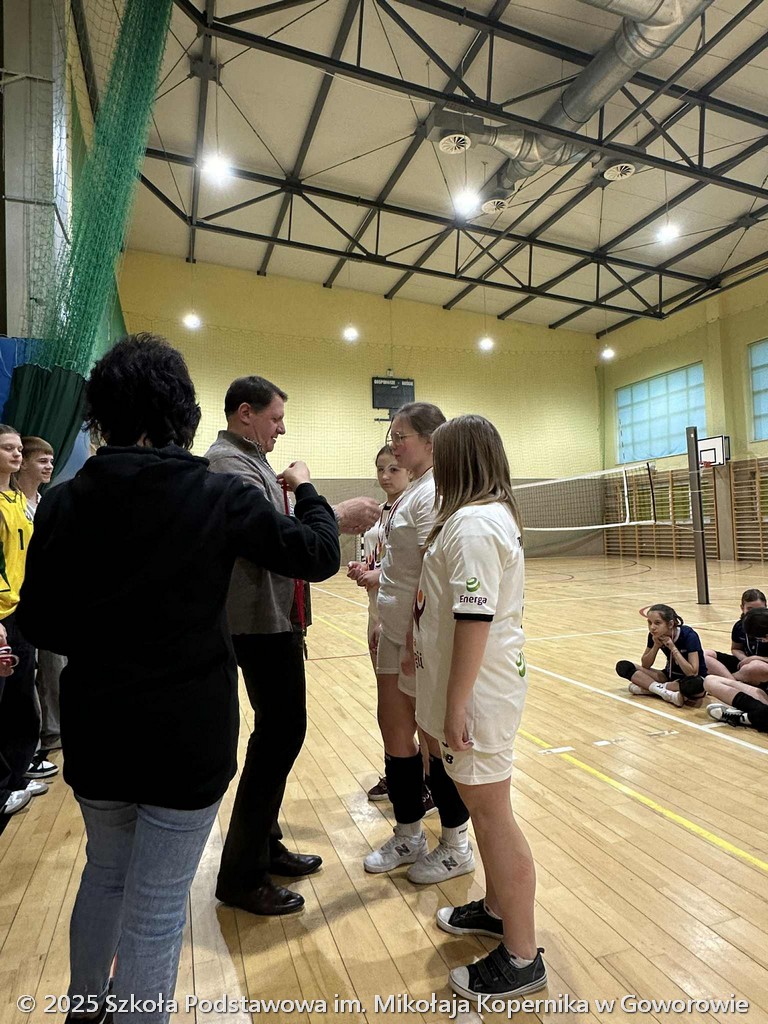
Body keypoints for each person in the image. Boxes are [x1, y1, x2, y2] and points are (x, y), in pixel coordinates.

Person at [17, 334, 340, 1023]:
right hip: (186, 737)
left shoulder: (66, 501)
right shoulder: (216, 494)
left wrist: (109, 638)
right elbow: (316, 555)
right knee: (158, 908)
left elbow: (41, 622)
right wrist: (309, 491)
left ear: (102, 413)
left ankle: (85, 1010)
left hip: (99, 729)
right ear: (181, 412)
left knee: (105, 876)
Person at [206, 376, 379, 916]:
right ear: (245, 413)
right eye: (275, 418)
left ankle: (263, 845)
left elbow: (275, 526)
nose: (281, 428)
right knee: (280, 734)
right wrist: (322, 505)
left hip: (270, 617)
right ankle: (241, 874)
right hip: (256, 622)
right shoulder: (228, 465)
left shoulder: (248, 460)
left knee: (279, 732)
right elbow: (282, 540)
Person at [414, 414, 546, 1000]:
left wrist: (457, 703)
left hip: (481, 694)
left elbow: (474, 619)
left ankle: (522, 957)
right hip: (475, 687)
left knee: (492, 819)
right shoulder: (475, 518)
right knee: (485, 809)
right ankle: (496, 909)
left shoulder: (474, 523)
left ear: (457, 460)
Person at [364, 402, 474, 884]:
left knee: (432, 740)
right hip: (395, 633)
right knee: (394, 729)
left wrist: (413, 635)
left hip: (418, 638)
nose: (393, 445)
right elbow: (399, 570)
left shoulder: (434, 494)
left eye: (400, 437)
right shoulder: (412, 492)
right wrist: (385, 619)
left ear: (430, 442)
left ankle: (456, 844)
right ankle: (408, 834)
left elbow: (432, 576)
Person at [346, 445, 409, 802]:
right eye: (380, 469)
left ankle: (423, 779)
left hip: (400, 620)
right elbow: (377, 560)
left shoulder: (415, 510)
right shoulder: (380, 512)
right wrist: (363, 570)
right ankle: (396, 770)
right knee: (388, 706)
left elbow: (414, 569)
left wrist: (380, 576)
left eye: (394, 469)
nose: (385, 476)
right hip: (376, 615)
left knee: (407, 705)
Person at [0, 425, 43, 816]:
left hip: (21, 611)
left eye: (18, 448)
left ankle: (16, 775)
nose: (16, 454)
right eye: (8, 449)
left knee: (20, 701)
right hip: (1, 617)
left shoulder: (17, 500)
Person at [16, 436, 64, 755]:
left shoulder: (46, 502)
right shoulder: (12, 504)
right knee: (27, 674)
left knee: (54, 665)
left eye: (51, 461)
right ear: (23, 464)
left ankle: (54, 730)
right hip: (19, 598)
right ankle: (37, 740)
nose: (49, 466)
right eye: (42, 461)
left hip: (50, 594)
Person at [615, 604, 704, 707]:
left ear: (670, 624)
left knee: (696, 685)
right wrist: (656, 646)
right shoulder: (654, 635)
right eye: (649, 623)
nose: (652, 627)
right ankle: (664, 692)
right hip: (668, 676)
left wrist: (673, 648)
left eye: (657, 623)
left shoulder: (689, 636)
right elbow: (645, 665)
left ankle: (650, 688)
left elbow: (692, 672)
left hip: (689, 680)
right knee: (623, 666)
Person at [703, 588, 768, 687]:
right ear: (742, 608)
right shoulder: (739, 626)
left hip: (760, 665)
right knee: (704, 654)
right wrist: (745, 659)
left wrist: (755, 659)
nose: (754, 613)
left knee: (756, 667)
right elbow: (736, 648)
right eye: (750, 609)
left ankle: (725, 683)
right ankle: (734, 683)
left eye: (759, 609)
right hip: (744, 662)